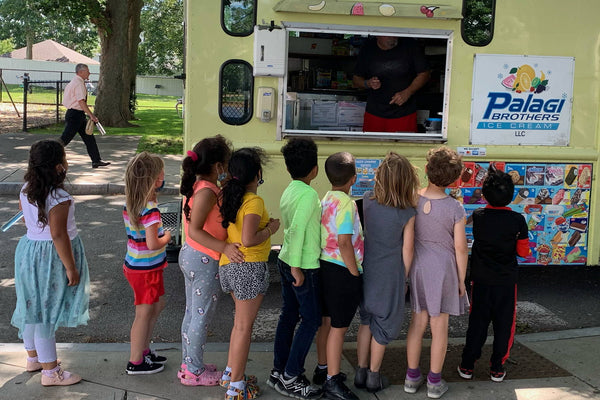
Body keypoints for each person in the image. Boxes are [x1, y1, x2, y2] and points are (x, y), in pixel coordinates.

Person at [11, 139, 90, 386]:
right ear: (58, 166)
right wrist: (70, 267)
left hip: (29, 251)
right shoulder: (58, 197)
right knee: (46, 312)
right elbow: (58, 234)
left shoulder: (26, 189)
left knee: (33, 307)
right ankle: (50, 372)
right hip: (51, 257)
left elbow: (26, 219)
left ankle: (33, 358)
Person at [177, 135, 244, 386]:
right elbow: (195, 230)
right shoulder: (206, 191)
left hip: (194, 257)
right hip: (203, 259)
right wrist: (224, 247)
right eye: (225, 164)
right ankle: (194, 372)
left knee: (192, 313)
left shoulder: (202, 186)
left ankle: (189, 364)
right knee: (200, 317)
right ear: (218, 166)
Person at [404, 146, 468, 399]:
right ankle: (434, 381)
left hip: (418, 267)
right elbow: (461, 248)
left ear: (427, 170)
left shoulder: (412, 199)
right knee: (440, 326)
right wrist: (461, 280)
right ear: (454, 178)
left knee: (417, 323)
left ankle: (411, 377)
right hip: (444, 270)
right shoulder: (456, 208)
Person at [218, 147, 280, 400]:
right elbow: (249, 238)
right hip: (249, 266)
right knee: (244, 328)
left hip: (228, 266)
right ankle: (237, 386)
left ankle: (231, 373)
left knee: (239, 325)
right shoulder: (254, 201)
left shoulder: (229, 197)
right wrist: (271, 229)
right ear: (257, 174)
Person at [458, 167, 530, 382]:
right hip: (506, 282)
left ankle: (467, 365)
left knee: (477, 324)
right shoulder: (518, 221)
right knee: (504, 325)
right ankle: (497, 367)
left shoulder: (479, 216)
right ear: (510, 195)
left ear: (485, 194)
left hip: (480, 280)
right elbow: (523, 252)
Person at [354, 152, 418, 393]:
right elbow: (408, 250)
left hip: (366, 269)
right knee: (382, 326)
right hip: (390, 274)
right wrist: (406, 278)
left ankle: (359, 372)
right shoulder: (407, 212)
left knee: (366, 321)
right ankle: (373, 375)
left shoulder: (367, 201)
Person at [268, 138, 322, 399]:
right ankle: (292, 375)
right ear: (315, 169)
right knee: (311, 319)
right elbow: (299, 228)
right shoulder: (310, 194)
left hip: (285, 258)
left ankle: (278, 371)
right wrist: (298, 268)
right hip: (302, 264)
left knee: (288, 316)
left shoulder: (291, 189)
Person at [318, 152, 364, 400]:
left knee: (326, 323)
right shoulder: (347, 204)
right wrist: (354, 272)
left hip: (325, 266)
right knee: (339, 328)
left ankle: (324, 368)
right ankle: (333, 383)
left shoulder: (326, 198)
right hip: (343, 269)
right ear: (353, 179)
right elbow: (345, 241)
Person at [122, 152, 171, 375]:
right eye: (162, 172)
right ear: (154, 179)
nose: (164, 176)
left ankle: (143, 351)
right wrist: (167, 237)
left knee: (156, 305)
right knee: (144, 313)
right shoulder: (150, 209)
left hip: (139, 266)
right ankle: (136, 360)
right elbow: (153, 243)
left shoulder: (133, 203)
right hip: (145, 269)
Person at [353, 36, 430, 133]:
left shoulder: (409, 44)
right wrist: (368, 83)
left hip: (404, 113)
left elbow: (424, 74)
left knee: (402, 147)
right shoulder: (368, 47)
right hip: (374, 112)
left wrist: (408, 92)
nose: (393, 36)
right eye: (387, 34)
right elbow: (356, 80)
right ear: (377, 35)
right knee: (372, 146)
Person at [60, 63, 110, 168]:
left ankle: (96, 160)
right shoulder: (78, 83)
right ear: (81, 72)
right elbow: (81, 101)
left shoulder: (75, 81)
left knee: (89, 138)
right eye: (87, 71)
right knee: (64, 139)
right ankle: (48, 156)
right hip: (75, 115)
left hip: (76, 114)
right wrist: (91, 115)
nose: (89, 73)